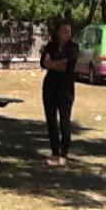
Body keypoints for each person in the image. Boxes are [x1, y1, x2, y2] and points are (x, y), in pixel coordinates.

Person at [40, 21, 79, 167]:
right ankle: (55, 153)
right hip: (49, 87)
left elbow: (67, 66)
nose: (66, 34)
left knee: (64, 121)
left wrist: (53, 63)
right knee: (51, 121)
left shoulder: (73, 48)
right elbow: (44, 63)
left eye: (68, 31)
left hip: (65, 89)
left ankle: (64, 154)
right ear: (58, 32)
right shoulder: (51, 46)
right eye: (63, 31)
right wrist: (57, 63)